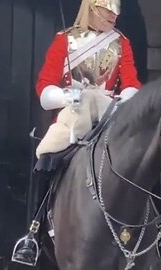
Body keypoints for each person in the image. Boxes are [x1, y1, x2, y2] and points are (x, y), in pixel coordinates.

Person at [12, 0, 141, 265]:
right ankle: (33, 233)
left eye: (116, 12)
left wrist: (123, 102)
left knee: (144, 153)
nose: (114, 17)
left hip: (110, 115)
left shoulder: (121, 43)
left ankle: (160, 233)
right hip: (74, 115)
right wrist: (67, 95)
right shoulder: (64, 40)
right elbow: (45, 88)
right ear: (92, 9)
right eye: (108, 11)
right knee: (46, 158)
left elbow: (131, 82)